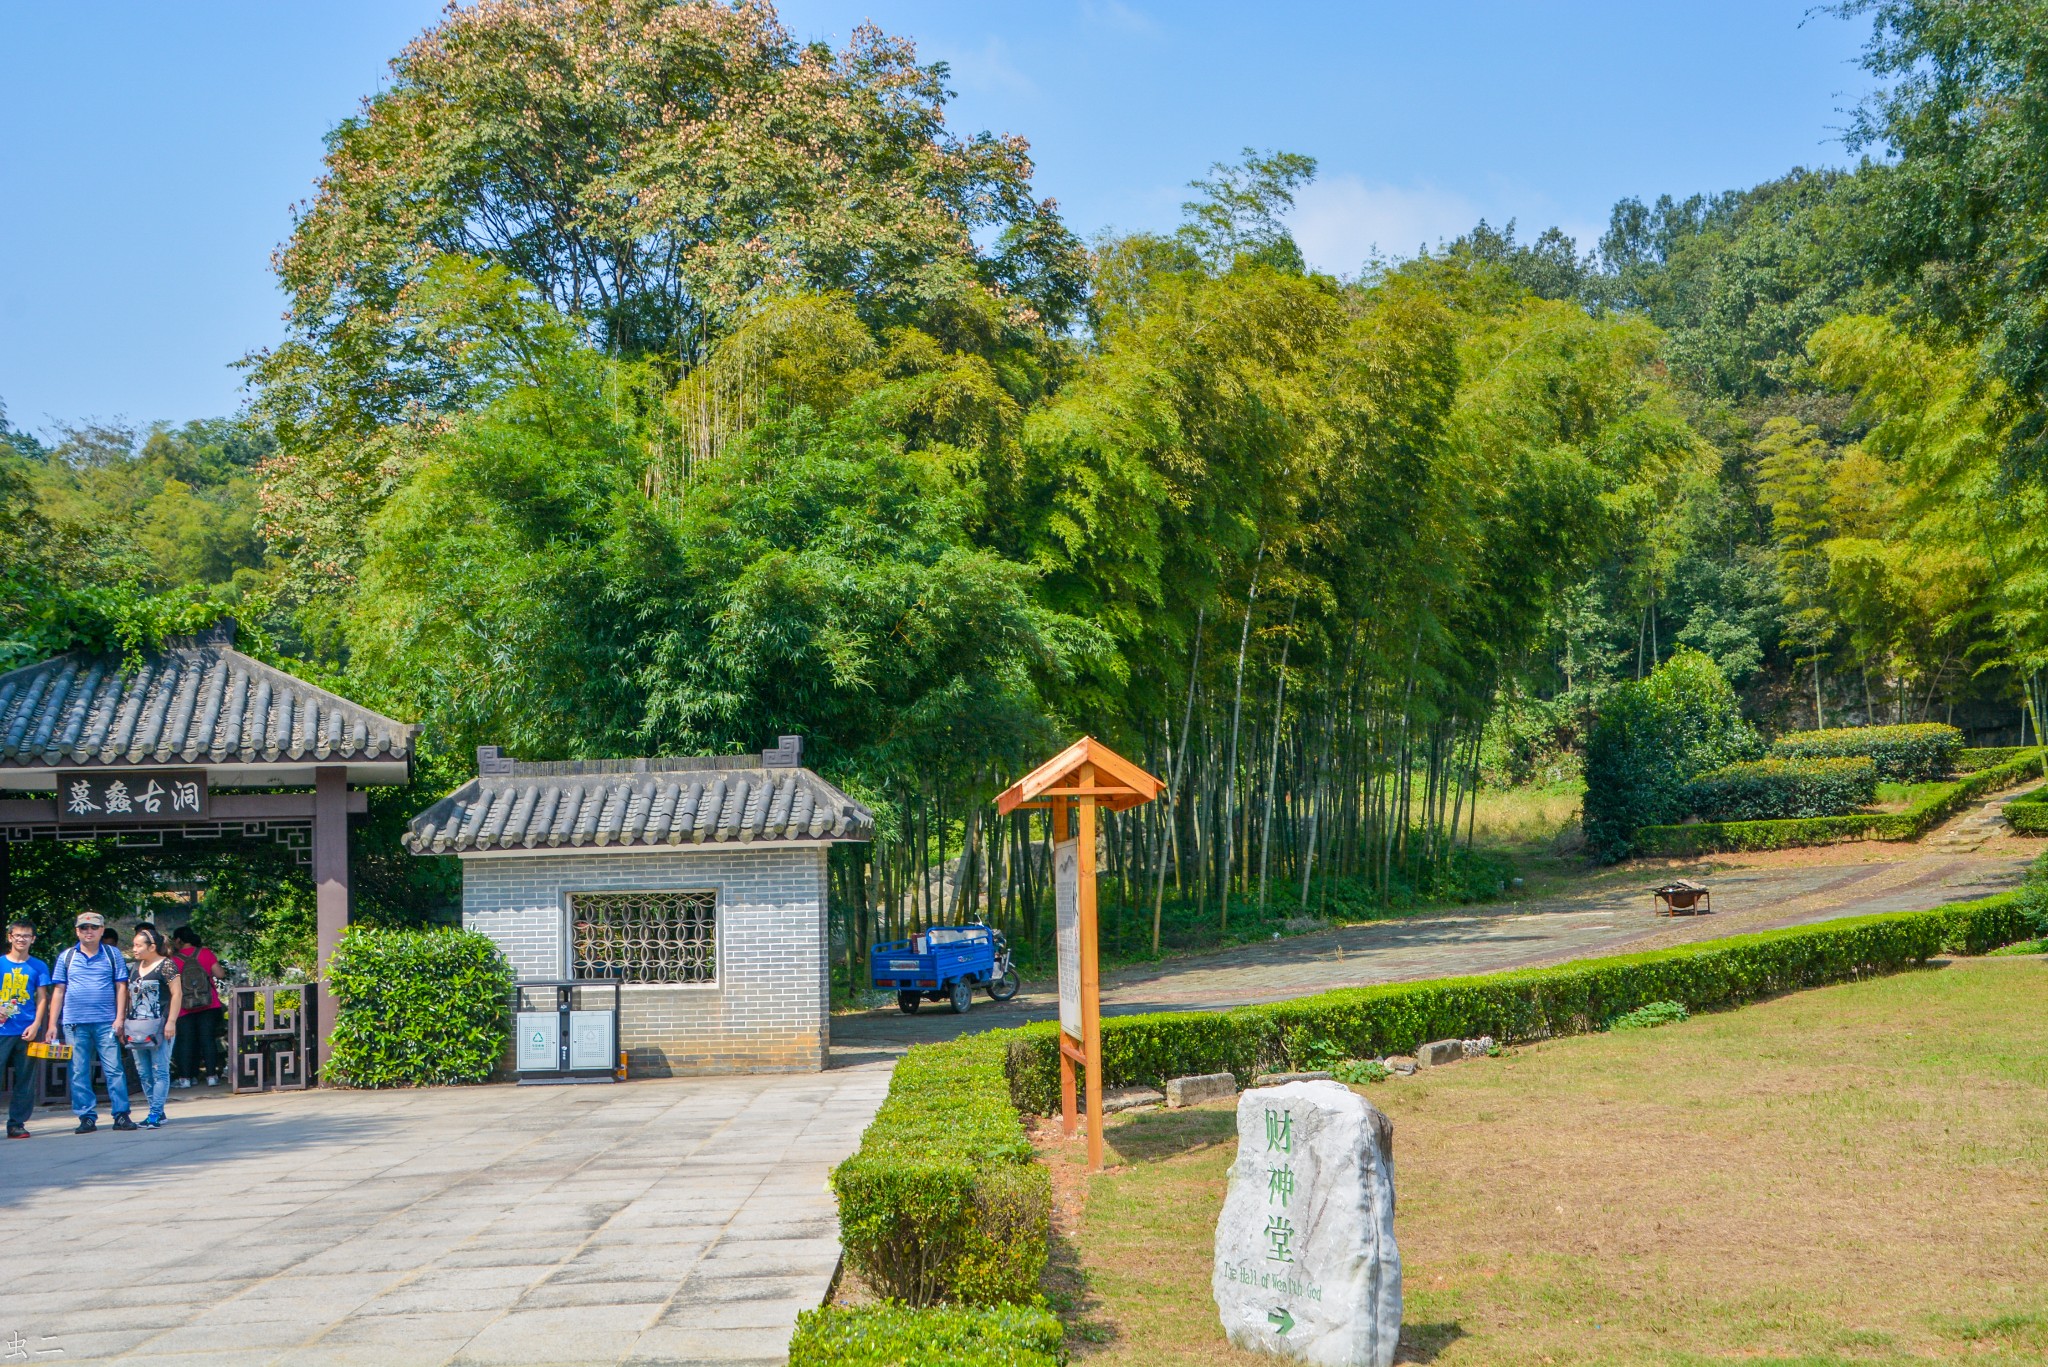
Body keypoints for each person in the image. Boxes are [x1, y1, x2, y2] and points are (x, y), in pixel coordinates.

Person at [45, 912, 133, 1133]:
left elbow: (121, 987)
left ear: (102, 930)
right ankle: (86, 1116)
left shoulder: (112, 955)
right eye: (83, 927)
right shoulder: (67, 957)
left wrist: (120, 1018)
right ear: (77, 931)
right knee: (78, 1070)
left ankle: (121, 1114)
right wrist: (52, 1023)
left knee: (114, 1069)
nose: (89, 931)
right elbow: (58, 990)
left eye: (93, 927)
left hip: (106, 1022)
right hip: (75, 1022)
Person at [123, 925, 181, 1129]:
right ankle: (157, 1109)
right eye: (134, 945)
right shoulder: (134, 968)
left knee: (160, 1070)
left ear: (152, 946)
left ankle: (155, 1113)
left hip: (160, 1026)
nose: (135, 949)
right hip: (137, 1026)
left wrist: (172, 1021)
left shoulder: (166, 966)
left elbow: (177, 994)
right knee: (144, 1072)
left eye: (139, 946)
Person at [1, 917, 52, 1139]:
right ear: (10, 937)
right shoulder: (1, 963)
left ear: (33, 939)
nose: (22, 939)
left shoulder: (38, 966)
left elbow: (42, 998)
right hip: (2, 1029)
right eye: (18, 935)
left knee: (25, 1078)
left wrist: (37, 1024)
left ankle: (17, 1123)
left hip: (26, 1030)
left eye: (26, 936)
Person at [170, 927, 224, 1088]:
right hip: (209, 1004)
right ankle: (212, 1076)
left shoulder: (173, 960)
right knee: (208, 1040)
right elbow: (220, 974)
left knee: (185, 1042)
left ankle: (185, 1079)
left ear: (179, 940)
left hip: (184, 1007)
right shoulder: (205, 953)